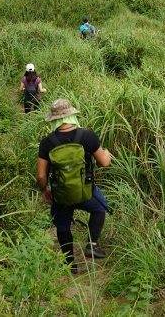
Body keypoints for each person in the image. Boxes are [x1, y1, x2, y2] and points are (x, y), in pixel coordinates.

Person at [36, 98, 112, 273]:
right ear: (71, 116)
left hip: (61, 194)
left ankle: (70, 264)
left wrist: (44, 190)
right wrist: (107, 153)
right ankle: (91, 245)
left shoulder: (47, 142)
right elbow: (104, 162)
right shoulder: (87, 136)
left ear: (54, 120)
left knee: (62, 226)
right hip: (86, 191)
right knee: (100, 208)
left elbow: (41, 175)